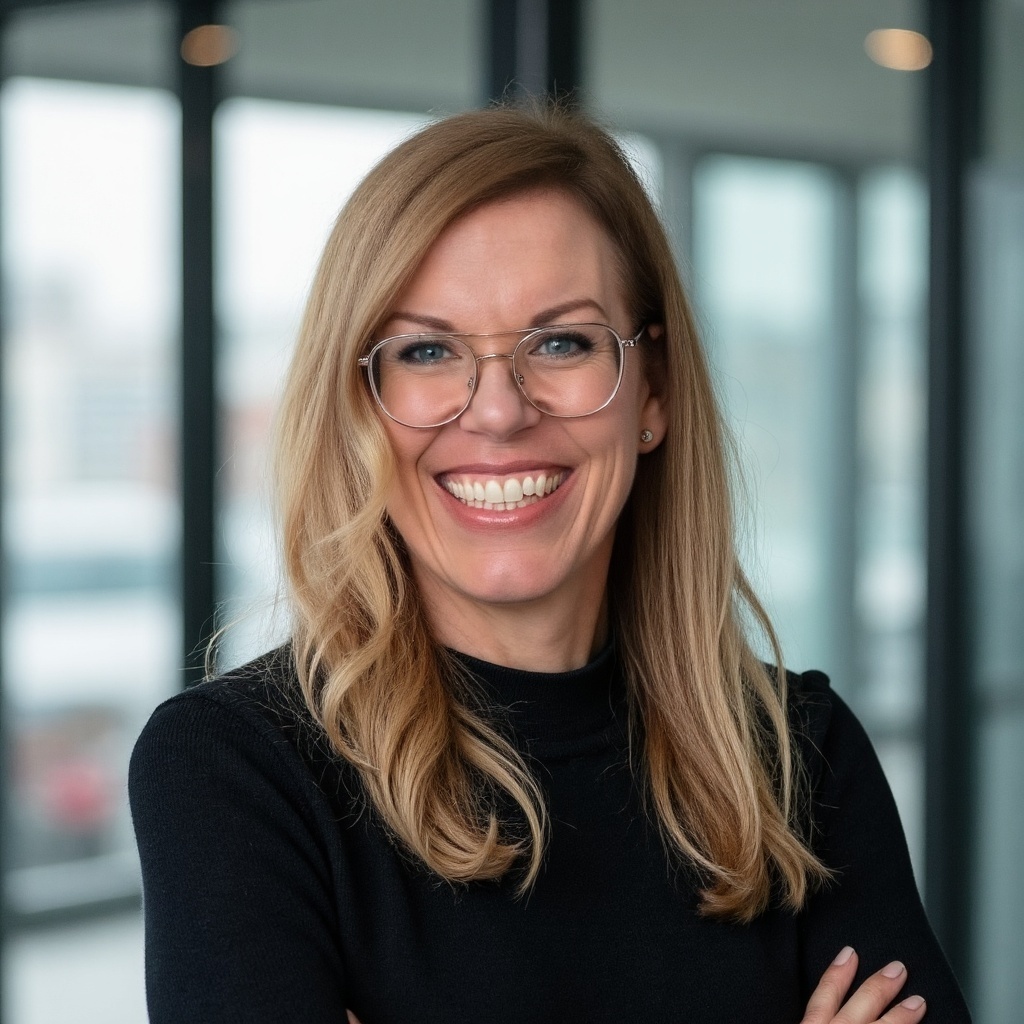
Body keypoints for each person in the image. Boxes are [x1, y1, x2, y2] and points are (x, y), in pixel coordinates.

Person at [129, 104, 971, 1024]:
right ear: (358, 404)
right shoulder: (236, 770)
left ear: (653, 390)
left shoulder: (800, 753)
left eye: (562, 342)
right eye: (427, 351)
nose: (498, 411)